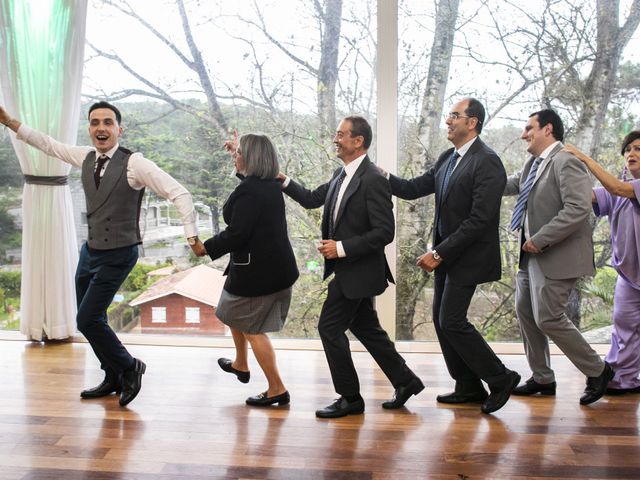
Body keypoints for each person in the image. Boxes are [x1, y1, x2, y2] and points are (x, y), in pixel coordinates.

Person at [0, 102, 202, 407]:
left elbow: (180, 192)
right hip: (90, 252)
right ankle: (112, 375)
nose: (100, 128)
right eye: (94, 123)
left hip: (119, 253)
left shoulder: (136, 164)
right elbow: (49, 145)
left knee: (87, 319)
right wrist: (11, 123)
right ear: (90, 129)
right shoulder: (85, 157)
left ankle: (131, 366)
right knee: (91, 318)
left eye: (108, 122)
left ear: (119, 129)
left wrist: (191, 234)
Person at [280, 116, 424, 418]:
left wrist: (340, 248)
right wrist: (283, 181)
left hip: (359, 272)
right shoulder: (339, 173)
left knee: (329, 328)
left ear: (358, 141)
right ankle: (406, 381)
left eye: (341, 135)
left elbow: (385, 232)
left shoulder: (373, 179)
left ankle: (350, 398)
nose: (336, 140)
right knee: (368, 329)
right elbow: (311, 199)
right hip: (349, 273)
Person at [387, 98, 519, 414]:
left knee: (452, 320)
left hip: (468, 256)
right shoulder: (449, 158)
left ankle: (501, 377)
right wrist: (379, 175)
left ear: (472, 122)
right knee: (440, 319)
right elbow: (412, 187)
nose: (448, 121)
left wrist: (438, 252)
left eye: (454, 116)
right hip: (447, 256)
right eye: (449, 115)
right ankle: (468, 385)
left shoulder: (487, 161)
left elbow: (480, 219)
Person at [504, 109, 613, 405]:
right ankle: (542, 377)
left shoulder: (566, 161)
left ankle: (598, 370)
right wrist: (478, 173)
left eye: (529, 128)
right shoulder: (532, 164)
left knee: (549, 318)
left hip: (555, 254)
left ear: (547, 129)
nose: (524, 134)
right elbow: (508, 185)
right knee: (526, 314)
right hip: (529, 257)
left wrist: (540, 239)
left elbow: (577, 208)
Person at [199, 133, 299, 407]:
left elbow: (236, 235)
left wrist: (205, 248)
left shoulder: (252, 190)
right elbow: (250, 196)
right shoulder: (265, 185)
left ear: (252, 158)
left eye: (239, 152)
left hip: (260, 274)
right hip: (266, 268)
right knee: (232, 313)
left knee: (253, 329)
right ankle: (241, 364)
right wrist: (238, 154)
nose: (235, 154)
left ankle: (277, 388)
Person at [563, 133, 640, 395]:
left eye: (639, 149)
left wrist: (583, 158)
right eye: (628, 149)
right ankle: (623, 380)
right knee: (624, 327)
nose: (632, 153)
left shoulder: (625, 188)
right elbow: (590, 196)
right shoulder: (619, 189)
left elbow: (618, 189)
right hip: (630, 277)